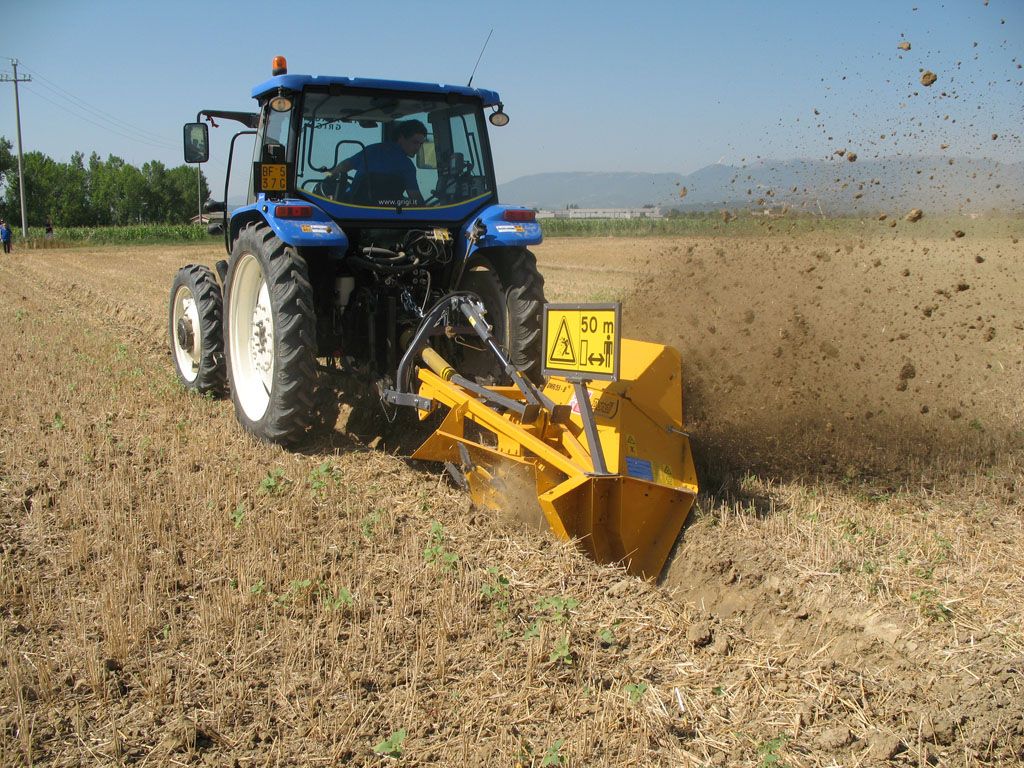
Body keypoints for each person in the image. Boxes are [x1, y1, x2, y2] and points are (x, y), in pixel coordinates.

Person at [326, 119, 427, 204]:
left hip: (353, 207)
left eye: (420, 144)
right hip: (388, 214)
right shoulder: (407, 165)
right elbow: (415, 199)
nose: (418, 148)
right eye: (415, 142)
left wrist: (328, 180)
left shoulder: (371, 150)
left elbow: (343, 166)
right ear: (401, 138)